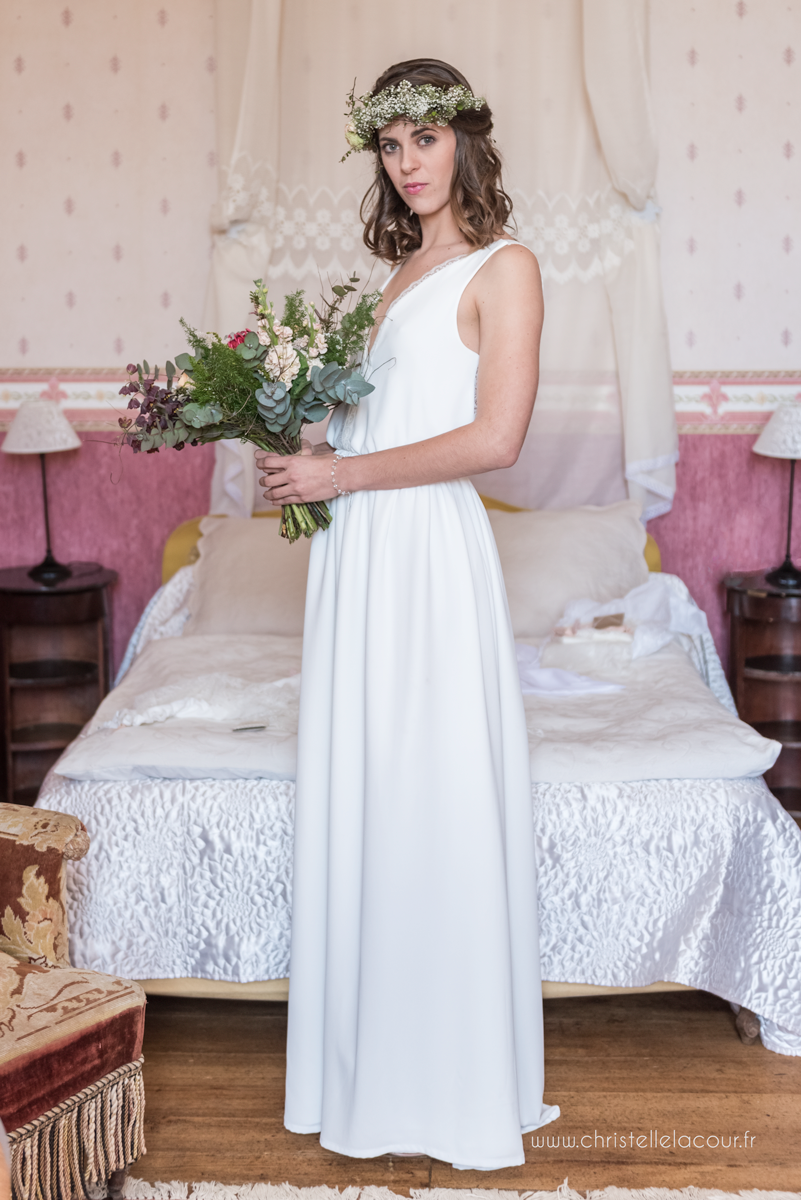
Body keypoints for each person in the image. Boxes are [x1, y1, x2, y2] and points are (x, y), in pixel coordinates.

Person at [257, 57, 560, 1170]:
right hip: (358, 558)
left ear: (466, 141)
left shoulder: (504, 266)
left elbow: (494, 441)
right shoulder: (391, 279)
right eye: (390, 146)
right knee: (370, 788)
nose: (408, 164)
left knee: (429, 788)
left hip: (428, 556)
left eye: (425, 139)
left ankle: (448, 1085)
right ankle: (364, 1077)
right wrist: (306, 459)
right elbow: (375, 429)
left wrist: (346, 477)